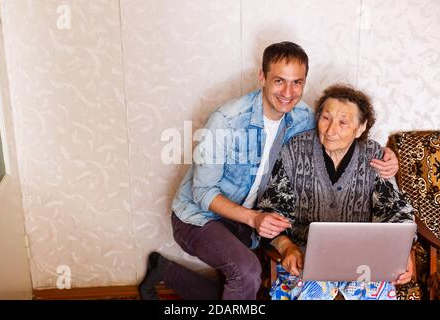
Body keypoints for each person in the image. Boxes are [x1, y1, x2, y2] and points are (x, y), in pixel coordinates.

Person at [139, 42, 399, 300]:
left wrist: (386, 157)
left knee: (252, 289)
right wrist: (254, 219)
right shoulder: (226, 121)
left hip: (247, 218)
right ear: (262, 77)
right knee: (246, 272)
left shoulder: (303, 117)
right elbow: (203, 192)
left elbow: (340, 131)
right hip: (198, 216)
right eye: (279, 81)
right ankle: (170, 271)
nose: (288, 92)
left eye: (297, 82)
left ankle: (164, 270)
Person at [257, 84, 415, 300]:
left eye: (343, 122)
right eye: (326, 118)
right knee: (311, 292)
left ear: (360, 128)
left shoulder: (374, 154)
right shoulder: (294, 150)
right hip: (304, 254)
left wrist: (400, 252)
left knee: (376, 291)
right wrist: (286, 247)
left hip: (363, 258)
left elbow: (395, 210)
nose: (331, 130)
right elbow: (271, 210)